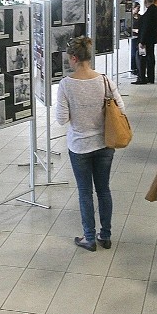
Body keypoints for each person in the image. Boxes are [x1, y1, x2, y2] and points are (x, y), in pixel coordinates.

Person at [55, 37, 125, 251]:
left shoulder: (66, 85)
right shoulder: (104, 80)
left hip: (79, 146)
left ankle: (89, 238)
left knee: (85, 191)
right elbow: (120, 108)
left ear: (74, 58)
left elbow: (61, 119)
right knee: (103, 190)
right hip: (105, 143)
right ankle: (106, 235)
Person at [134, 0, 157, 84]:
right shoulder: (155, 10)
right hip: (151, 39)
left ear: (145, 1)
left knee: (141, 58)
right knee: (150, 58)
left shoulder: (150, 12)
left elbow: (146, 27)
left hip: (146, 39)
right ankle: (150, 77)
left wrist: (142, 41)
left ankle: (142, 78)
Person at [130, 2, 141, 75]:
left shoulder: (140, 16)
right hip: (133, 36)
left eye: (139, 8)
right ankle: (133, 68)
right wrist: (134, 30)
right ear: (134, 8)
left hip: (139, 37)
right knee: (133, 53)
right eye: (137, 8)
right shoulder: (130, 18)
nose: (139, 10)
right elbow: (128, 28)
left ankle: (139, 67)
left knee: (140, 53)